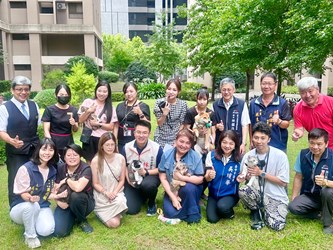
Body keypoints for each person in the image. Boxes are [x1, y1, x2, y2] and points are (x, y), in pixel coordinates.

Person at [9, 138, 65, 249]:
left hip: (42, 207)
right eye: (44, 149)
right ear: (38, 150)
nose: (47, 153)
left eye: (51, 150)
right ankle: (30, 236)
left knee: (47, 230)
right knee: (30, 207)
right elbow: (23, 194)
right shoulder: (26, 169)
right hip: (21, 207)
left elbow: (46, 193)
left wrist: (58, 196)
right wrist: (30, 198)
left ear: (54, 152)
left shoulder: (52, 170)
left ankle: (30, 223)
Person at [237, 122, 289, 231]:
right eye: (256, 137)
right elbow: (245, 176)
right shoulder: (248, 155)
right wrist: (244, 177)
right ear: (252, 138)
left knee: (276, 226)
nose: (259, 141)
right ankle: (255, 211)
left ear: (269, 139)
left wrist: (261, 173)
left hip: (275, 196)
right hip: (257, 194)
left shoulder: (280, 156)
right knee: (243, 190)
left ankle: (267, 212)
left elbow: (283, 182)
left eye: (263, 138)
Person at [0, 76, 40, 205]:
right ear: (12, 90)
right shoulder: (5, 108)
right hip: (16, 151)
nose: (23, 92)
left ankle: (34, 202)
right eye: (19, 89)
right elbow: (1, 131)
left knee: (33, 176)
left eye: (26, 89)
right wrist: (11, 141)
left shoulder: (34, 105)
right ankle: (15, 206)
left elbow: (36, 125)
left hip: (34, 148)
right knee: (15, 178)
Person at [288, 128, 333, 234]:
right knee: (293, 207)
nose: (315, 147)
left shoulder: (331, 157)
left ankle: (328, 224)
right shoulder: (303, 154)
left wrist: (326, 183)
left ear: (326, 144)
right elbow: (298, 176)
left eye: (319, 144)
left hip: (328, 196)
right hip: (310, 196)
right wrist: (294, 197)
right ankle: (320, 213)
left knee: (327, 191)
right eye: (312, 143)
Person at [158, 129, 204, 224]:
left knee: (188, 188)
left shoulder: (196, 156)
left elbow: (200, 179)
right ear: (176, 141)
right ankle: (191, 208)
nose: (184, 145)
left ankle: (193, 215)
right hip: (173, 189)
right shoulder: (166, 155)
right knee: (169, 213)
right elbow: (163, 178)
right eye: (181, 141)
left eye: (188, 143)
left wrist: (182, 178)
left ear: (191, 145)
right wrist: (173, 197)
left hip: (190, 189)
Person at [121, 120, 163, 216]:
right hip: (133, 178)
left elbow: (161, 168)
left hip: (150, 176)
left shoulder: (157, 148)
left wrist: (146, 172)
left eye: (144, 133)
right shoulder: (127, 147)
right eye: (138, 132)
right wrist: (128, 180)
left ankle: (151, 203)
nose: (141, 135)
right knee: (131, 210)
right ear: (134, 133)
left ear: (149, 134)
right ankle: (142, 196)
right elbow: (123, 167)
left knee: (148, 185)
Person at [53, 144, 95, 237]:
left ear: (80, 156)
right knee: (60, 232)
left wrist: (67, 180)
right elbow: (55, 187)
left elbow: (78, 188)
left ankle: (82, 220)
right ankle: (72, 216)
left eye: (75, 155)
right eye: (68, 155)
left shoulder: (86, 168)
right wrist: (58, 202)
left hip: (83, 202)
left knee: (76, 195)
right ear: (64, 157)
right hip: (65, 201)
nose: (72, 158)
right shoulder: (60, 168)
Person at [183, 88, 216, 200]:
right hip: (193, 145)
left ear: (208, 100)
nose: (202, 101)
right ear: (196, 99)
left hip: (207, 145)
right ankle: (195, 193)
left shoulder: (210, 113)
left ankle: (202, 192)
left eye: (204, 99)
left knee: (208, 168)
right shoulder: (191, 112)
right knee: (196, 169)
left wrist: (211, 141)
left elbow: (213, 129)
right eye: (199, 99)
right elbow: (186, 130)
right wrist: (196, 133)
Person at [91, 132, 127, 228]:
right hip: (102, 195)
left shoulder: (121, 158)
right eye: (107, 145)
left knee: (120, 201)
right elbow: (95, 183)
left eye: (112, 144)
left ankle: (115, 212)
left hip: (116, 193)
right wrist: (106, 193)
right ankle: (102, 212)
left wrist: (114, 193)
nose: (110, 147)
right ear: (102, 146)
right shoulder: (96, 161)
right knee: (114, 224)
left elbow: (122, 180)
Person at [249, 72, 291, 152]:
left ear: (275, 85)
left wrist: (279, 121)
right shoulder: (253, 103)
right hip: (258, 145)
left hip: (278, 146)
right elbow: (251, 124)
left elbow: (287, 124)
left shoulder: (282, 103)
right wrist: (252, 140)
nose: (266, 86)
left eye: (270, 84)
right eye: (264, 83)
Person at [205, 130, 241, 223]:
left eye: (231, 143)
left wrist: (242, 177)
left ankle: (229, 212)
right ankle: (219, 208)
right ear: (220, 142)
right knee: (212, 219)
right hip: (213, 194)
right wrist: (209, 176)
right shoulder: (211, 155)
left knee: (222, 207)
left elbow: (244, 176)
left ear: (235, 145)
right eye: (224, 142)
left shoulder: (239, 160)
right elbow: (207, 178)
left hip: (230, 194)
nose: (227, 146)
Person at [78, 81, 117, 163]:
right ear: (96, 90)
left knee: (102, 162)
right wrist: (89, 111)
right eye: (99, 91)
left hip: (103, 139)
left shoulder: (111, 107)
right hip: (89, 137)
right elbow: (80, 120)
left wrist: (98, 124)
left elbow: (111, 127)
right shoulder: (88, 102)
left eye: (105, 91)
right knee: (89, 162)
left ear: (108, 93)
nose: (101, 94)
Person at [292, 76, 333, 149]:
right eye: (303, 93)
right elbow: (299, 128)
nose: (307, 95)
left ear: (317, 89)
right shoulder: (298, 109)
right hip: (316, 149)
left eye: (310, 91)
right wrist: (297, 133)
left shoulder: (331, 103)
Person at [212, 77, 250, 155]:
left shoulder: (241, 104)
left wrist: (243, 143)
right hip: (220, 144)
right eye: (224, 90)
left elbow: (245, 125)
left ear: (234, 90)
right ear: (220, 90)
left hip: (236, 144)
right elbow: (211, 125)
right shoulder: (215, 105)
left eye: (229, 90)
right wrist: (217, 126)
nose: (226, 92)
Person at [42, 84, 79, 160]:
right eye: (61, 94)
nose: (64, 97)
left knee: (68, 163)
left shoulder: (73, 110)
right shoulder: (50, 109)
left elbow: (75, 129)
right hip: (54, 140)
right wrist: (50, 145)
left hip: (68, 141)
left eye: (66, 95)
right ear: (56, 95)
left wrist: (74, 123)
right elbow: (46, 130)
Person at [116, 82, 150, 151]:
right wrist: (114, 141)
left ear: (136, 92)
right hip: (121, 139)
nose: (129, 94)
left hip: (136, 139)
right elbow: (116, 124)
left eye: (131, 91)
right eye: (126, 92)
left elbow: (148, 124)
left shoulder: (143, 106)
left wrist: (140, 113)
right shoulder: (120, 106)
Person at [154, 79, 188, 148]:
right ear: (166, 89)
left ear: (179, 92)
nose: (171, 92)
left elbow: (182, 124)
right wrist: (164, 114)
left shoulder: (183, 104)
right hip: (160, 136)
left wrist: (177, 140)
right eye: (169, 89)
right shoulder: (159, 103)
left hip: (175, 136)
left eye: (174, 90)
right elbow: (159, 123)